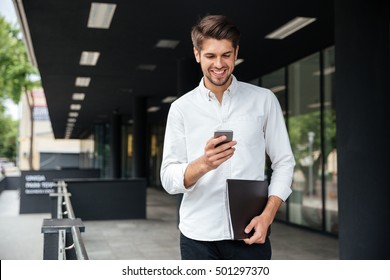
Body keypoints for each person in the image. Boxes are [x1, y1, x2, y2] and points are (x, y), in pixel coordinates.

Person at [160, 15, 295, 260]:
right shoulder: (181, 108)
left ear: (236, 53)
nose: (219, 64)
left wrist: (267, 216)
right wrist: (204, 164)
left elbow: (284, 162)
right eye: (210, 55)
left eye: (226, 55)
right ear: (197, 54)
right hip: (197, 238)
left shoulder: (263, 100)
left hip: (250, 233)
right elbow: (168, 179)